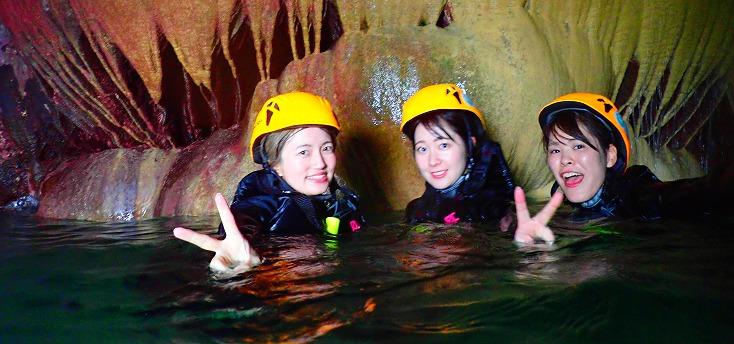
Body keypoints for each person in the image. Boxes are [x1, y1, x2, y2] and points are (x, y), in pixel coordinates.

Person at [513, 91, 734, 241]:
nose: (565, 159)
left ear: (610, 156)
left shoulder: (640, 199)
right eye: (555, 149)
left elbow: (712, 193)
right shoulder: (555, 216)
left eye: (578, 146)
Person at [173, 91, 365, 273]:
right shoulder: (265, 200)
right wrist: (236, 253)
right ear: (275, 165)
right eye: (303, 152)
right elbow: (246, 216)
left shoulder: (339, 201)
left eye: (326, 148)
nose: (320, 162)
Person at [400, 83, 516, 226]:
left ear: (470, 145)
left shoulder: (496, 211)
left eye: (443, 145)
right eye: (422, 149)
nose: (432, 161)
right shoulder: (416, 211)